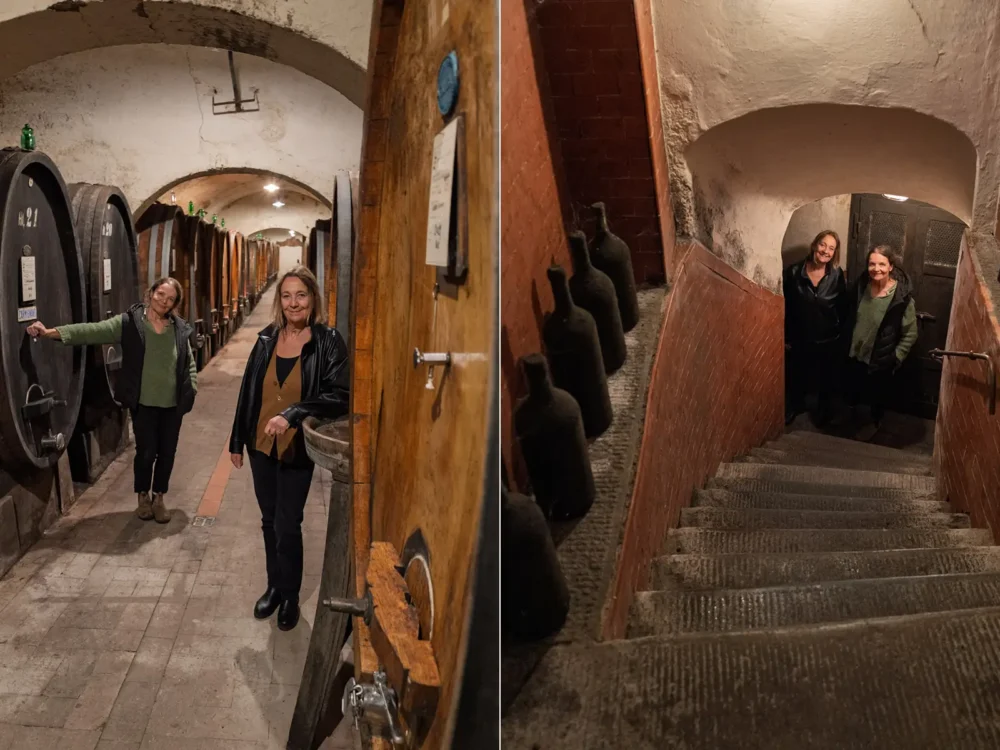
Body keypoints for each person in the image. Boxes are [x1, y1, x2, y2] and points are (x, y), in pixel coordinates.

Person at [229, 266, 349, 631]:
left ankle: (291, 596)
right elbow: (249, 391)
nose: (293, 303)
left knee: (288, 523)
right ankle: (274, 587)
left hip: (296, 448)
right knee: (268, 521)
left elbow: (339, 395)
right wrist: (237, 440)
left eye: (301, 295)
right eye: (287, 296)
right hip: (260, 446)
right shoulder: (266, 338)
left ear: (312, 299)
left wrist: (294, 413)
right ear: (279, 302)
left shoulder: (327, 340)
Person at [27, 278, 197, 523]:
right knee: (147, 452)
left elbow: (188, 361)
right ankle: (142, 496)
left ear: (175, 304)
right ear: (151, 293)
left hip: (173, 404)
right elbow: (92, 331)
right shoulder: (129, 322)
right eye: (161, 294)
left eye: (171, 299)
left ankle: (159, 497)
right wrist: (51, 333)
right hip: (144, 403)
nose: (164, 301)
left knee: (167, 453)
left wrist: (192, 387)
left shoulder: (179, 328)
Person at [845, 245, 918, 439]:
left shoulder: (901, 298)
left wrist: (896, 357)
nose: (876, 268)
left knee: (876, 396)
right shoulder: (861, 288)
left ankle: (874, 423)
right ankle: (851, 420)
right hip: (855, 353)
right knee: (853, 389)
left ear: (891, 266)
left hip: (880, 357)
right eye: (872, 264)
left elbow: (910, 333)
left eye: (882, 264)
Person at [783, 229, 848, 425]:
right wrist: (786, 336)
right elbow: (785, 305)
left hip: (828, 339)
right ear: (814, 245)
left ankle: (823, 413)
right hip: (800, 337)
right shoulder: (794, 272)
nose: (825, 251)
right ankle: (795, 407)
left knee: (826, 380)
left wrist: (840, 334)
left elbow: (843, 306)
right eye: (822, 245)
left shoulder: (836, 275)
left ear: (834, 253)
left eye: (831, 248)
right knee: (796, 375)